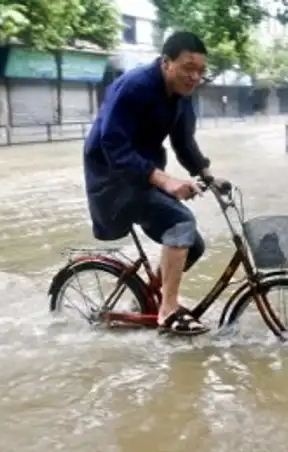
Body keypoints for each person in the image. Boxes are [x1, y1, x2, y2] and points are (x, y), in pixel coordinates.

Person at [83, 31, 226, 336]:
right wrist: (165, 180)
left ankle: (151, 299)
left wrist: (208, 176)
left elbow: (184, 143)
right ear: (166, 63)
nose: (195, 77)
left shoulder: (182, 96)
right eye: (188, 68)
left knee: (194, 245)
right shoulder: (134, 87)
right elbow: (112, 144)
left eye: (201, 71)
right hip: (112, 180)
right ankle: (168, 311)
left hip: (141, 177)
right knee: (181, 221)